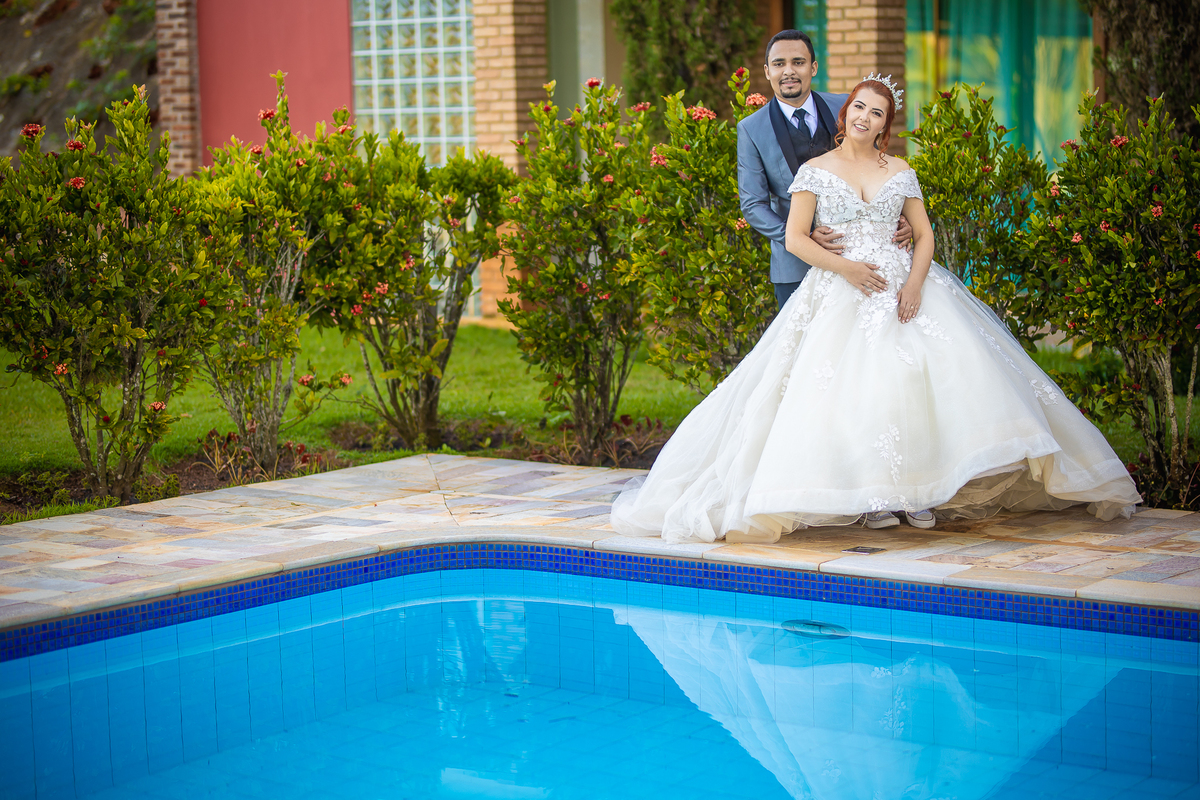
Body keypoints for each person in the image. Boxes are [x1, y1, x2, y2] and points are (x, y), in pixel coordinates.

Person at [610, 75, 1141, 543]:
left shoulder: (901, 169)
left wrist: (914, 285)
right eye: (859, 107)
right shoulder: (815, 170)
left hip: (905, 286)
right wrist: (847, 270)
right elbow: (795, 238)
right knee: (853, 390)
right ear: (846, 114)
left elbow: (925, 234)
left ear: (886, 125)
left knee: (923, 379)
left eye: (878, 112)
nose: (866, 117)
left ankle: (923, 491)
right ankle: (873, 498)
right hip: (842, 288)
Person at [738, 30, 912, 309]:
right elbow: (752, 204)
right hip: (794, 266)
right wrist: (803, 236)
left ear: (813, 67)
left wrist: (898, 216)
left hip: (863, 262)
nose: (789, 71)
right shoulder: (751, 128)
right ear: (767, 71)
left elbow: (876, 168)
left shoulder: (847, 106)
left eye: (798, 62)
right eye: (779, 64)